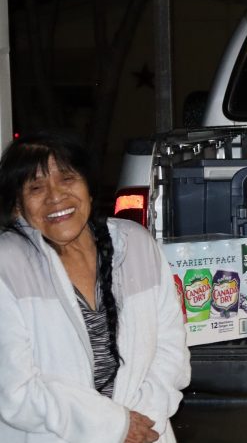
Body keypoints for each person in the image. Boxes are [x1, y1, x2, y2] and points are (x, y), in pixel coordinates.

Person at [0, 131, 191, 443]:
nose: (55, 196)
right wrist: (115, 426)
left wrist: (142, 422)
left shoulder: (136, 244)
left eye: (67, 178)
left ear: (89, 188)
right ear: (18, 208)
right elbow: (14, 391)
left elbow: (171, 351)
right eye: (35, 187)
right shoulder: (7, 264)